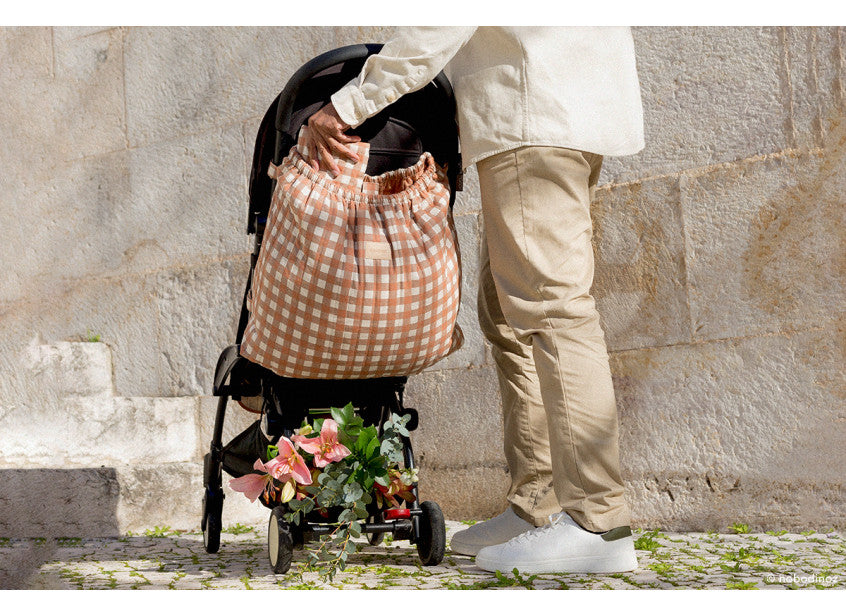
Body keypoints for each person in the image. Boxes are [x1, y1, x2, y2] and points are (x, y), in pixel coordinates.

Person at [304, 26, 645, 574]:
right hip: (571, 108)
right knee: (507, 316)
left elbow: (440, 21)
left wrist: (348, 104)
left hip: (532, 112)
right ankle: (538, 505)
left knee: (553, 309)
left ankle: (597, 523)